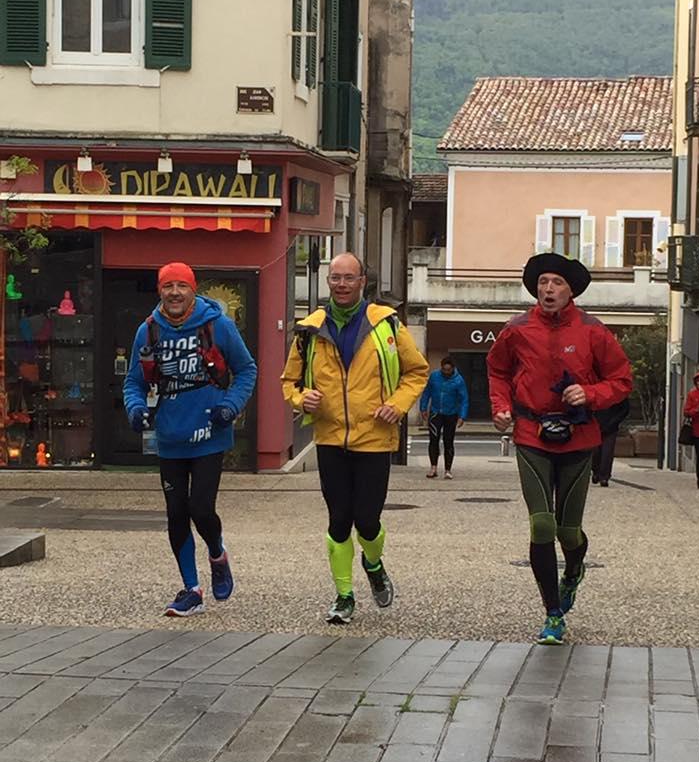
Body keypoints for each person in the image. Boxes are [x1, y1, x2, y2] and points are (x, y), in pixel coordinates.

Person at [487, 252, 632, 645]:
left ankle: (573, 570)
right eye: (543, 283)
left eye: (557, 283)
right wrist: (500, 406)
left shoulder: (593, 331)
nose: (548, 289)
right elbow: (497, 370)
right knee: (542, 525)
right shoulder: (517, 329)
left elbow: (621, 380)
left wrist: (590, 393)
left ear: (571, 291)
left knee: (568, 532)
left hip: (578, 436)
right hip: (531, 434)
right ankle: (553, 614)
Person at [280, 252, 429, 624]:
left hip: (374, 439)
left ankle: (373, 564)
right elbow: (289, 381)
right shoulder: (309, 330)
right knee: (338, 520)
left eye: (349, 278)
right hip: (330, 439)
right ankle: (343, 596)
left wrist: (397, 405)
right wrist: (301, 398)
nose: (342, 285)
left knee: (367, 520)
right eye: (336, 278)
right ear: (328, 282)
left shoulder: (386, 324)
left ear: (363, 282)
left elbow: (416, 372)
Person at [124, 262, 257, 617]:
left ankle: (217, 554)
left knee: (201, 508)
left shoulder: (218, 325)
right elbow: (134, 383)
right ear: (159, 291)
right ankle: (191, 589)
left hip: (210, 434)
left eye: (181, 286)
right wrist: (136, 409)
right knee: (176, 513)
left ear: (193, 290)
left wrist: (230, 406)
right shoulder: (148, 331)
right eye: (168, 286)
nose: (175, 293)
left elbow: (247, 370)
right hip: (169, 437)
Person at [419, 356, 469, 478]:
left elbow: (464, 399)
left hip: (451, 414)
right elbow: (427, 392)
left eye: (448, 370)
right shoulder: (434, 376)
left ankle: (448, 469)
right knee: (433, 439)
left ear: (453, 369)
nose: (446, 372)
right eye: (444, 370)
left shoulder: (458, 380)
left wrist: (462, 416)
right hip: (436, 412)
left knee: (448, 441)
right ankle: (433, 467)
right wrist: (423, 408)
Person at [591, 398, 630, 487]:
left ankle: (604, 477)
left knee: (607, 452)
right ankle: (596, 471)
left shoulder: (618, 394)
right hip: (596, 425)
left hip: (611, 427)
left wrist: (615, 421)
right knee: (595, 451)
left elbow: (625, 409)